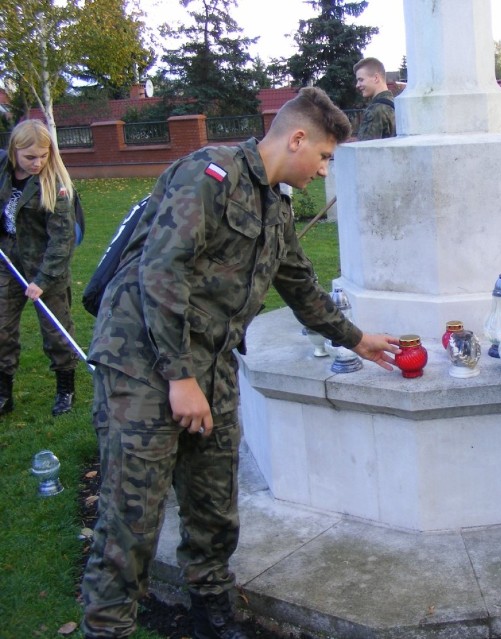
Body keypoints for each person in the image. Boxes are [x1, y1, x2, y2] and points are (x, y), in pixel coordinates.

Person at [80, 87, 401, 639]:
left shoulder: (274, 205)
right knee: (130, 519)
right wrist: (179, 378)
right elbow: (160, 272)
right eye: (324, 156)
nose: (325, 171)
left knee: (213, 505)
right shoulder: (209, 174)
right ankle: (108, 627)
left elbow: (299, 283)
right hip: (143, 361)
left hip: (210, 361)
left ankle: (212, 611)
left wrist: (357, 339)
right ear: (297, 138)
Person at [0, 120, 78, 417]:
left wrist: (43, 279)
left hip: (46, 268)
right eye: (30, 157)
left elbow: (62, 239)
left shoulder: (56, 184)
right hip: (8, 263)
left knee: (56, 331)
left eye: (43, 156)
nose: (37, 163)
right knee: (1, 327)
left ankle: (65, 389)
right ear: (14, 151)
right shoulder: (3, 171)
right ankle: (3, 392)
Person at [353, 57, 396, 140]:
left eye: (361, 80)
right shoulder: (397, 105)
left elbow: (364, 149)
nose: (357, 85)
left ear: (376, 78)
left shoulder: (375, 111)